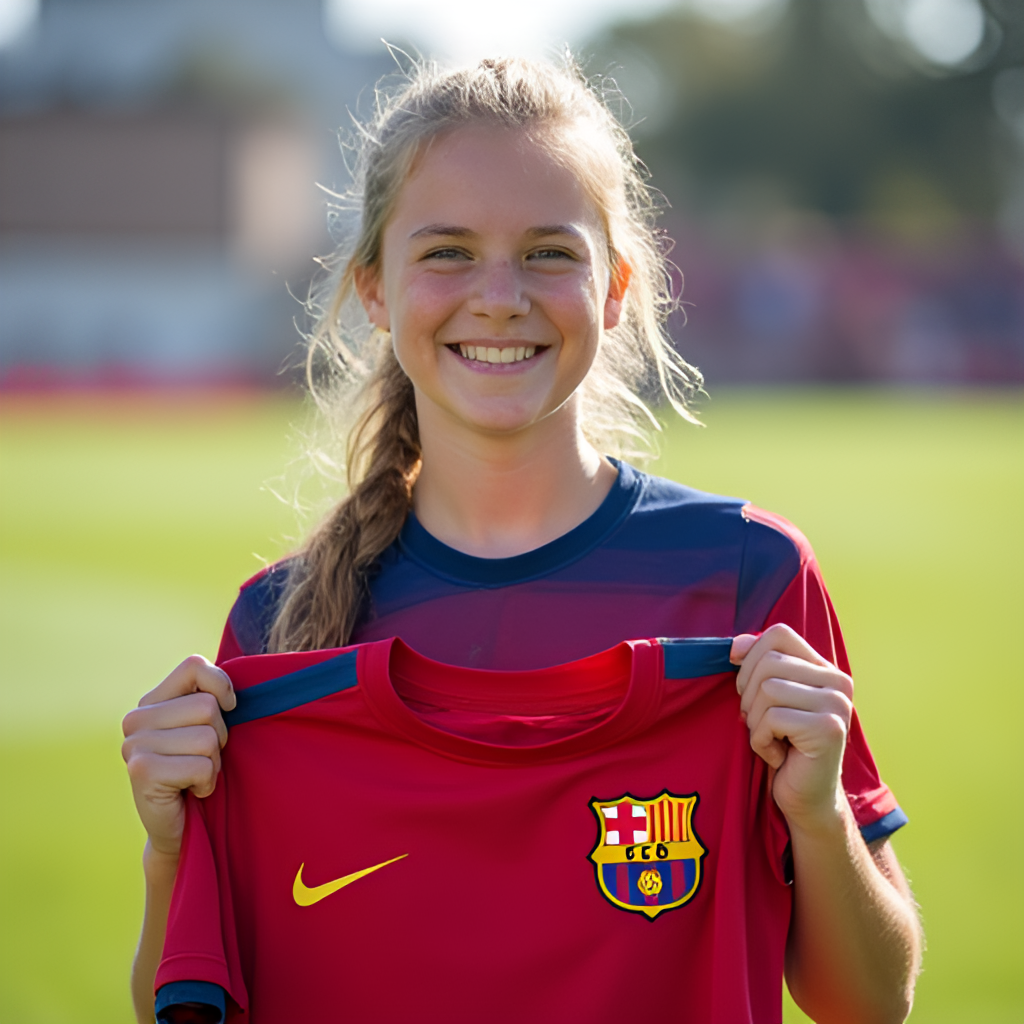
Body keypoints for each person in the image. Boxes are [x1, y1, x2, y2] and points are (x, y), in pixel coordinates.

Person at [122, 55, 922, 1023]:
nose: (498, 296)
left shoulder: (748, 581)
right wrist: (173, 847)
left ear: (616, 285)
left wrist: (817, 809)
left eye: (549, 251)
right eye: (447, 251)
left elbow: (873, 1003)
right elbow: (189, 999)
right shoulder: (278, 627)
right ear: (375, 289)